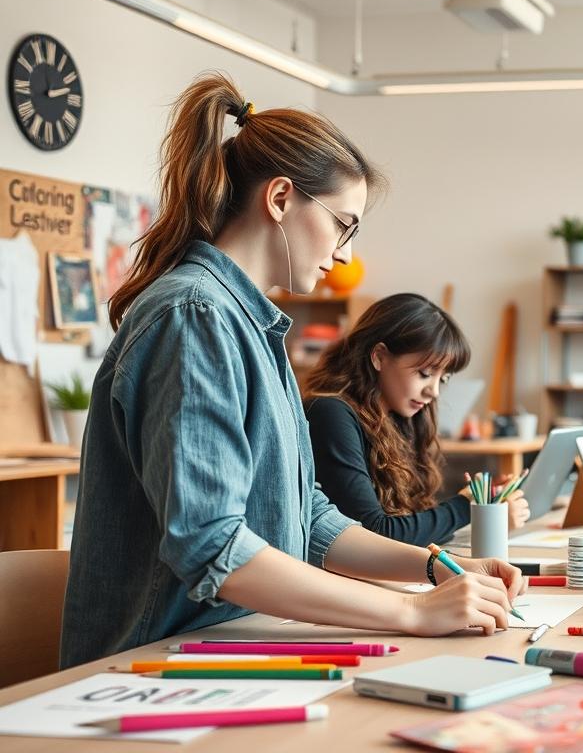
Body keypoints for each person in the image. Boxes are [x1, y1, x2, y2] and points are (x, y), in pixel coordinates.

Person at [61, 73, 523, 669]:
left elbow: (306, 516)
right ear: (280, 199)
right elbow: (213, 545)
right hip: (152, 664)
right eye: (343, 224)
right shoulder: (194, 316)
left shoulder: (254, 327)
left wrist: (435, 567)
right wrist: (411, 613)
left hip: (232, 645)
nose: (346, 254)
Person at [304, 293, 530, 546]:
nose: (433, 392)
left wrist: (485, 515)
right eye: (425, 374)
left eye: (442, 379)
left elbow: (413, 528)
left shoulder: (399, 418)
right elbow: (376, 535)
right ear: (379, 356)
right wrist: (468, 505)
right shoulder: (330, 413)